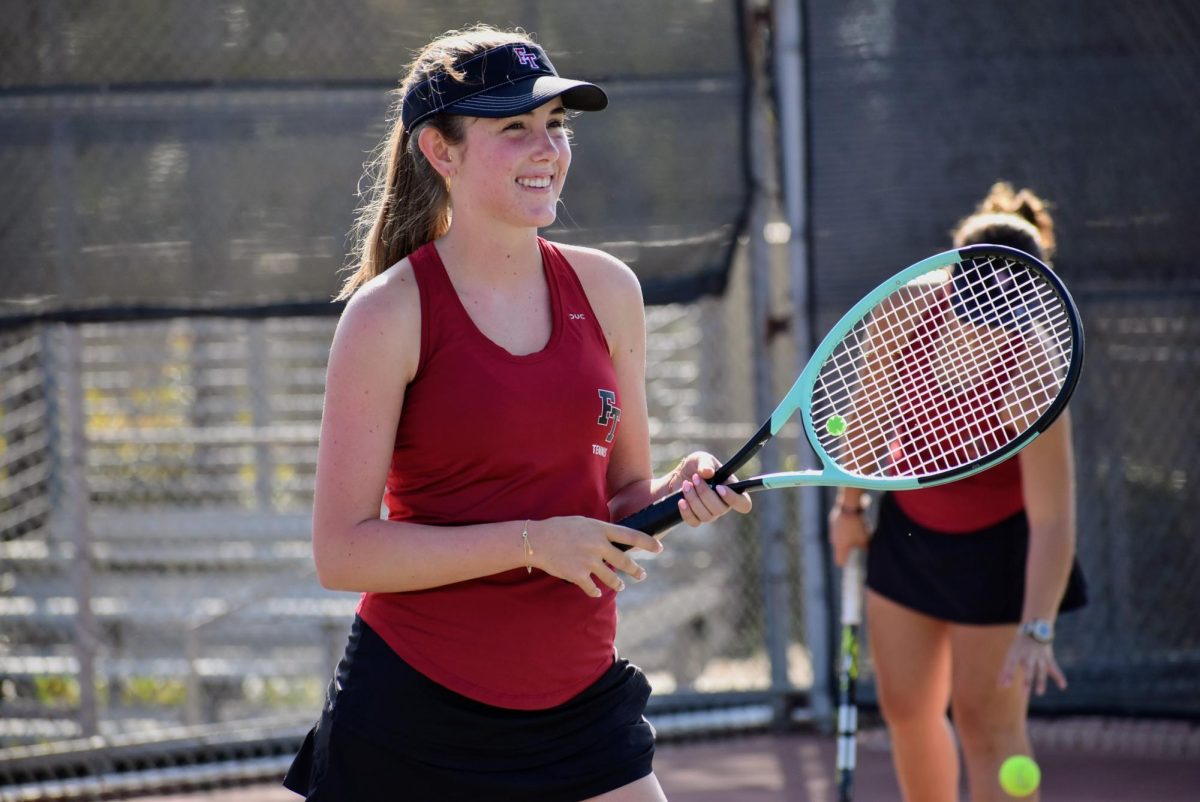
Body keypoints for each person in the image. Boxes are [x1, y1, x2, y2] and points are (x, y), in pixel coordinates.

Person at [282, 25, 751, 802]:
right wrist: (535, 543)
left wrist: (680, 490)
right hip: (415, 718)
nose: (548, 150)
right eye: (514, 129)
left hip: (580, 708)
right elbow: (343, 554)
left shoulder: (609, 292)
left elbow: (624, 496)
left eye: (556, 127)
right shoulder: (387, 315)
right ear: (440, 150)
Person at [828, 182, 1087, 802]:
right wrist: (849, 508)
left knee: (987, 727)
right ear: (950, 282)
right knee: (907, 711)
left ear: (1032, 306)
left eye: (1008, 318)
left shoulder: (1037, 374)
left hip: (998, 554)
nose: (989, 333)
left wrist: (1037, 627)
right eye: (976, 310)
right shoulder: (902, 314)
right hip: (908, 535)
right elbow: (864, 421)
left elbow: (1053, 521)